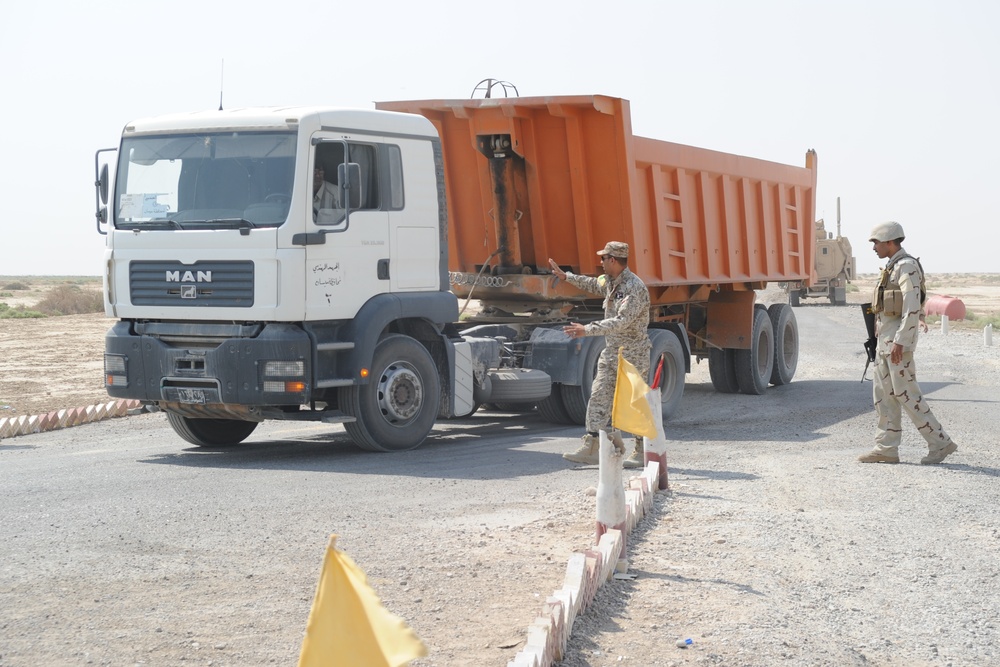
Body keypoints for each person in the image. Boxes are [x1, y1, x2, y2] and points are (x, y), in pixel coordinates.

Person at [858, 221, 958, 465]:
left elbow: (912, 306)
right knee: (884, 396)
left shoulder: (907, 266)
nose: (874, 248)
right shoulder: (892, 267)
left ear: (890, 242)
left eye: (876, 242)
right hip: (885, 342)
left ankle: (940, 442)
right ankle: (886, 448)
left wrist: (901, 342)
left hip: (896, 344)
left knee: (907, 394)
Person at [548, 242, 651, 468]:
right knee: (599, 396)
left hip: (633, 355)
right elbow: (594, 284)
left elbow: (622, 322)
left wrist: (587, 329)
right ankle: (593, 445)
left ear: (613, 260)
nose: (601, 262)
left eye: (603, 258)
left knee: (633, 402)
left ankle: (643, 449)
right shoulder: (610, 282)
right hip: (612, 353)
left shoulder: (634, 287)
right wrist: (566, 276)